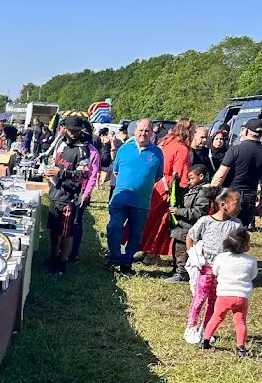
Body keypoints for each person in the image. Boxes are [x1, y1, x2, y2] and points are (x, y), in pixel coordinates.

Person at [182, 188, 242, 343]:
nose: (240, 207)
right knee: (199, 298)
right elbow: (190, 236)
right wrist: (193, 256)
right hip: (206, 269)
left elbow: (240, 245)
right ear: (223, 205)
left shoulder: (236, 225)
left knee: (214, 301)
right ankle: (191, 327)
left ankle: (205, 329)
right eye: (237, 203)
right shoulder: (206, 221)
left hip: (223, 272)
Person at [106, 118, 164, 274]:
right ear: (135, 131)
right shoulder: (124, 149)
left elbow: (158, 176)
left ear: (152, 133)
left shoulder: (157, 153)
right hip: (120, 199)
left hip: (141, 202)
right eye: (141, 130)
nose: (143, 133)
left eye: (147, 131)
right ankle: (113, 256)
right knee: (114, 227)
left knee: (135, 235)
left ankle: (127, 262)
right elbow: (116, 171)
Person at [45, 116, 94, 274]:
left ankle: (62, 262)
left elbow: (83, 174)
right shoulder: (60, 141)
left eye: (76, 131)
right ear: (64, 128)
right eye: (70, 130)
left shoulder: (83, 149)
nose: (73, 133)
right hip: (56, 191)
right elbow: (54, 160)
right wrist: (50, 172)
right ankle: (53, 256)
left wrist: (62, 172)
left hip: (70, 196)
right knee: (54, 228)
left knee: (66, 232)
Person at [140, 117, 194, 260]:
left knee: (150, 218)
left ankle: (143, 249)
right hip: (169, 188)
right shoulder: (181, 148)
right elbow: (179, 174)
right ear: (188, 131)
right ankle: (151, 253)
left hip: (157, 183)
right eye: (193, 131)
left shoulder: (166, 142)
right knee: (162, 222)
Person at [201, 227, 257, 357]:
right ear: (245, 245)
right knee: (240, 322)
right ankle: (241, 347)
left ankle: (205, 340)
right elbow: (253, 275)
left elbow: (215, 272)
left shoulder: (221, 258)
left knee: (217, 317)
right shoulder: (251, 260)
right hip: (241, 296)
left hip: (224, 295)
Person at [211, 117, 262, 227]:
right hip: (250, 196)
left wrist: (210, 194)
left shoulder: (235, 149)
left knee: (225, 228)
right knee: (241, 232)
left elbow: (220, 176)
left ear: (247, 131)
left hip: (232, 195)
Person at [167, 164, 212, 282]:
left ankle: (183, 273)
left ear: (201, 176)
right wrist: (175, 181)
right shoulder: (191, 189)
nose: (189, 181)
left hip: (189, 228)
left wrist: (179, 211)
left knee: (183, 251)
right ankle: (176, 269)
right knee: (176, 249)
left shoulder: (204, 193)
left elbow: (199, 212)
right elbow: (178, 195)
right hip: (181, 226)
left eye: (192, 178)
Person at [70, 121, 100, 262]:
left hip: (82, 190)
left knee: (76, 221)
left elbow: (93, 175)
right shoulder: (72, 147)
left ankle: (74, 252)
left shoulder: (93, 152)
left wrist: (86, 194)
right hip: (69, 188)